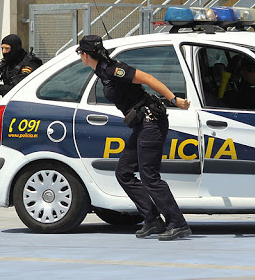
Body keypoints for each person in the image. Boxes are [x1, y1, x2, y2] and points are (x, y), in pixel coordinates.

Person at [77, 34, 192, 241]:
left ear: (85, 55)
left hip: (151, 121)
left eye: (80, 54)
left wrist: (174, 99)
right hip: (142, 124)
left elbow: (148, 79)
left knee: (149, 175)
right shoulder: (102, 70)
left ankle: (177, 223)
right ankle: (152, 220)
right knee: (124, 172)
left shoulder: (113, 69)